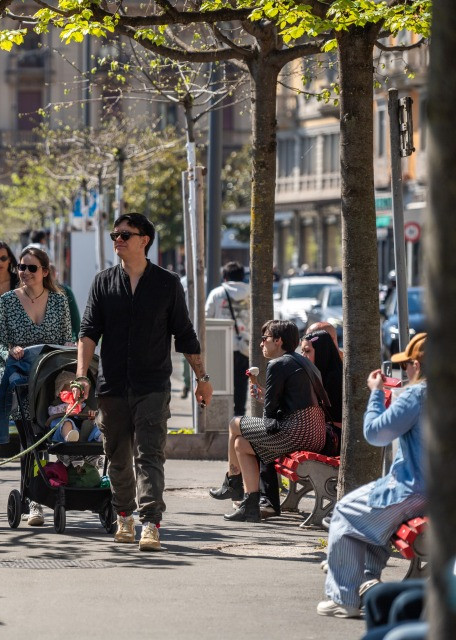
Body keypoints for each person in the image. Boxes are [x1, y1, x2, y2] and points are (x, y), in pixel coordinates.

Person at [73, 213, 211, 550]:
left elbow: (185, 333)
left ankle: (151, 522)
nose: (117, 240)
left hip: (153, 385)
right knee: (117, 457)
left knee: (149, 456)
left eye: (124, 235)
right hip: (112, 386)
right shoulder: (103, 282)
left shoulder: (167, 283)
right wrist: (81, 376)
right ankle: (124, 516)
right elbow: (88, 333)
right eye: (114, 235)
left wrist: (202, 378)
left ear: (144, 240)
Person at [317, 333, 428, 619]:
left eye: (409, 365)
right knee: (369, 520)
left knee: (344, 512)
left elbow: (375, 434)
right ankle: (365, 579)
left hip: (411, 488)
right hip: (438, 491)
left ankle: (345, 598)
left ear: (418, 364)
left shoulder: (418, 394)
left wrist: (376, 393)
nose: (407, 371)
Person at [209, 320, 328, 523]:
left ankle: (232, 482)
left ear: (278, 341)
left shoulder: (277, 364)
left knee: (234, 424)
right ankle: (250, 505)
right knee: (241, 444)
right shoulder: (303, 361)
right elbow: (294, 401)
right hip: (315, 432)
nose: (261, 344)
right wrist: (266, 397)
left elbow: (270, 414)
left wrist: (264, 420)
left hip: (297, 432)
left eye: (265, 339)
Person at [0, 247, 73, 526]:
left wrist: (71, 348)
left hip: (53, 384)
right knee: (31, 443)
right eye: (21, 267)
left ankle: (57, 491)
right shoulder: (7, 302)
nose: (24, 272)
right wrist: (9, 351)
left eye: (31, 268)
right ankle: (35, 501)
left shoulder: (60, 301)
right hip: (23, 385)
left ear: (45, 272)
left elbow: (66, 340)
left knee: (55, 439)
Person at [204, 261, 251, 416]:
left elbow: (206, 318)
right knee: (241, 383)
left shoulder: (217, 293)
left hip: (220, 347)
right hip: (244, 347)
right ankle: (240, 417)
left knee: (219, 384)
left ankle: (220, 417)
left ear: (225, 277)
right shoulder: (251, 293)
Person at [300, 329, 343, 425]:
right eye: (302, 351)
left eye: (307, 351)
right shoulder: (314, 374)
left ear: (321, 352)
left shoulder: (334, 379)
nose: (303, 356)